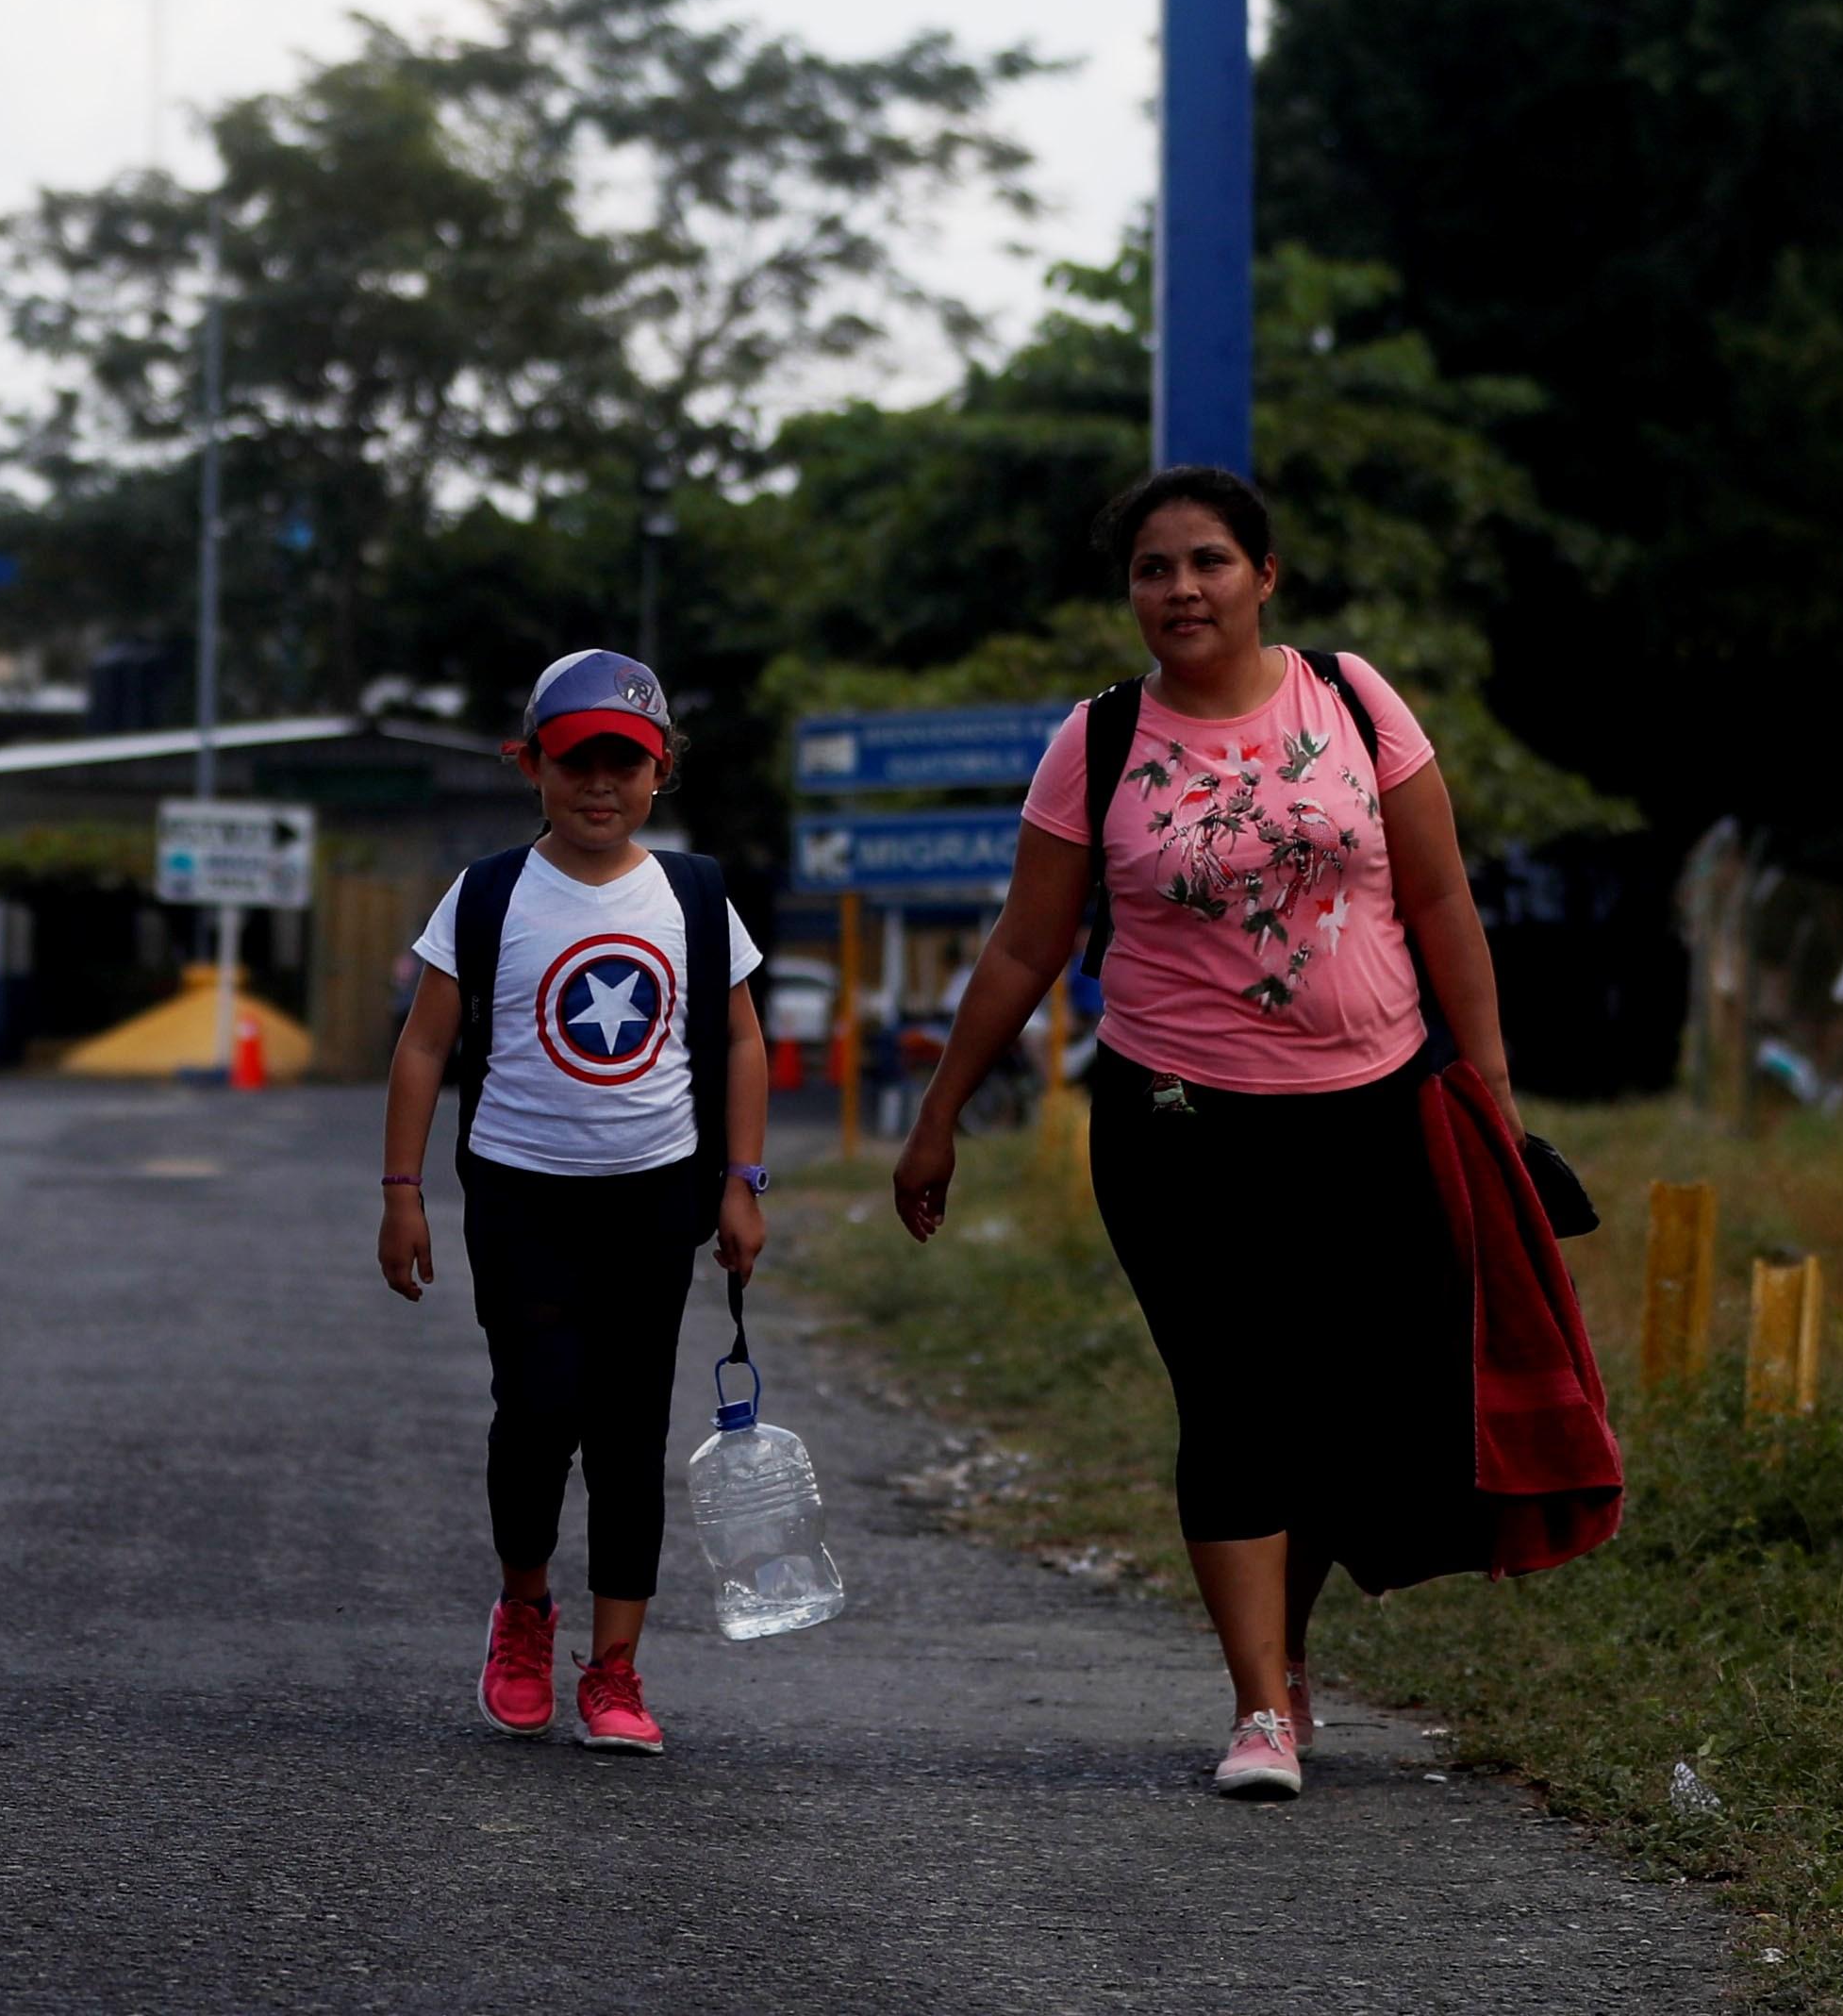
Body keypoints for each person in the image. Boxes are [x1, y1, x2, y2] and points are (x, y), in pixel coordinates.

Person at [888, 467, 1534, 1801]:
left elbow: (1441, 897)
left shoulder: (1354, 700)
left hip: (1373, 1110)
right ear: (1130, 593)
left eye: (1208, 563)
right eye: (1152, 569)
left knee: (1335, 1409)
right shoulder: (1100, 739)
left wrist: (1491, 1085)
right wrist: (938, 1114)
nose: (1181, 588)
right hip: (1177, 1122)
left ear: (1264, 576)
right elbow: (1026, 945)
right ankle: (1258, 1711)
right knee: (1234, 1391)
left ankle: (1285, 1663)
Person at [375, 648, 769, 1759]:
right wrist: (401, 1192)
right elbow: (424, 1048)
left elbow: (740, 1040)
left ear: (659, 776)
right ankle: (525, 1615)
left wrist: (744, 1182)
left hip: (654, 1200)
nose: (599, 785)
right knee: (540, 1412)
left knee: (632, 1434)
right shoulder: (490, 893)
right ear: (532, 764)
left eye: (624, 765)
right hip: (520, 1199)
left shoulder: (693, 894)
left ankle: (617, 1670)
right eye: (575, 761)